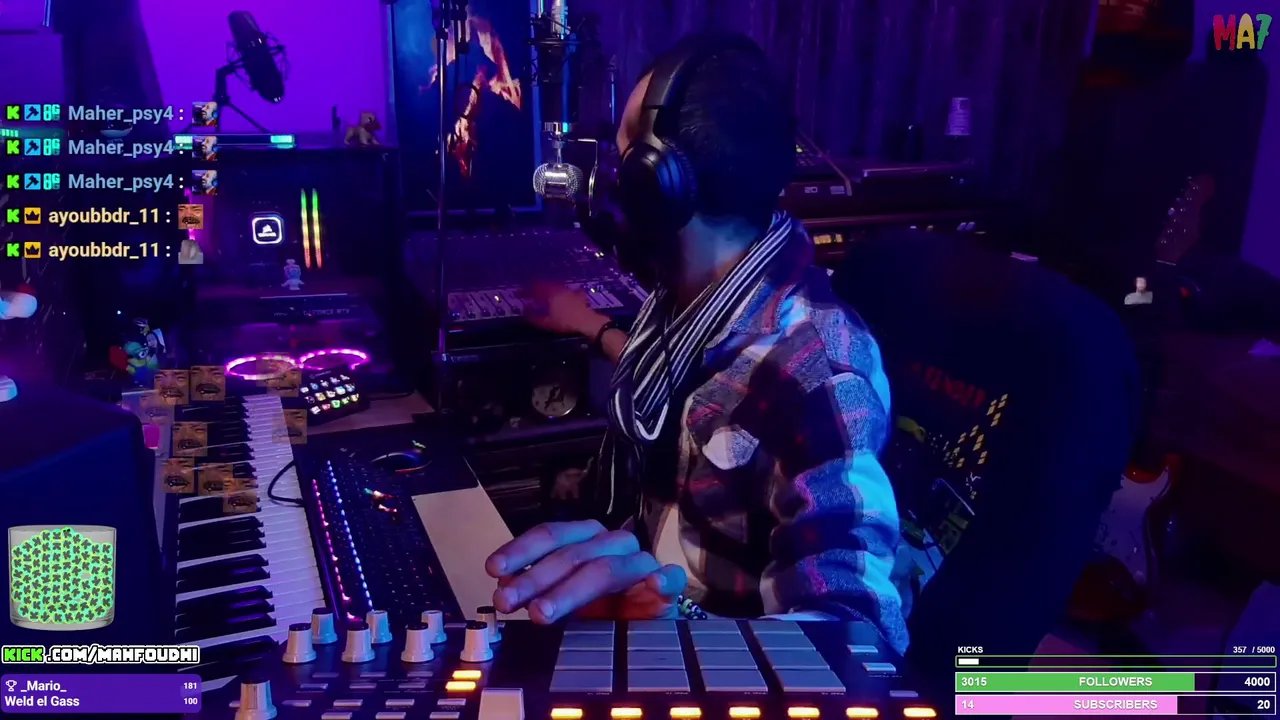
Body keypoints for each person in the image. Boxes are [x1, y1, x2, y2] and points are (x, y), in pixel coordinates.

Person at [485, 33, 909, 654]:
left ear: (656, 184)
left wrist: (676, 626)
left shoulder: (818, 370)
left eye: (623, 160)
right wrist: (591, 325)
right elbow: (700, 384)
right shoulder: (689, 300)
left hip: (702, 669)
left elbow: (859, 642)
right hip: (628, 619)